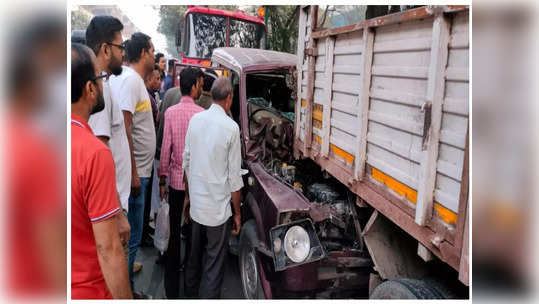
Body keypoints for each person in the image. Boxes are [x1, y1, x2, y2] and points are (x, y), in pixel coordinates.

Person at [71, 43, 132, 299]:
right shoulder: (93, 153)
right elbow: (108, 249)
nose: (103, 83)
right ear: (90, 89)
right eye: (100, 77)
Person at [183, 77, 244, 299]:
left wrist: (189, 198)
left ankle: (189, 297)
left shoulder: (196, 120)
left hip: (197, 207)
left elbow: (186, 164)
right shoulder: (231, 128)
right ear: (229, 99)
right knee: (213, 267)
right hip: (218, 213)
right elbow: (234, 178)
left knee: (193, 260)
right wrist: (237, 214)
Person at [109, 32, 155, 298]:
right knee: (131, 239)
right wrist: (136, 174)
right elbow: (125, 128)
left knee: (132, 239)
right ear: (143, 53)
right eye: (151, 50)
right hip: (135, 177)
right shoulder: (129, 80)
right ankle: (126, 293)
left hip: (140, 173)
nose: (153, 54)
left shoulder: (133, 80)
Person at [85, 16, 131, 251]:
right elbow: (100, 154)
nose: (124, 53)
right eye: (120, 47)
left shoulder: (104, 87)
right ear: (105, 49)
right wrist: (118, 213)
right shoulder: (99, 91)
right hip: (111, 210)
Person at [158, 67, 204, 299]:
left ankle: (171, 290)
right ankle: (191, 288)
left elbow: (166, 149)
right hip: (196, 187)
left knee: (174, 237)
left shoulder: (171, 113)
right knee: (195, 237)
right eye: (201, 83)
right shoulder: (202, 114)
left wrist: (162, 180)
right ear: (194, 85)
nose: (202, 87)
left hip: (176, 184)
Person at [145, 64, 161, 131]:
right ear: (149, 79)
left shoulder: (154, 95)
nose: (160, 82)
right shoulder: (147, 98)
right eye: (157, 79)